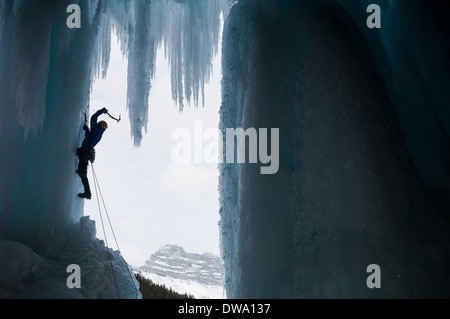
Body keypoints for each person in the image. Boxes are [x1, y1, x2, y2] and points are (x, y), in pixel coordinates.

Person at [76, 107, 109, 199]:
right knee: (82, 172)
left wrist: (100, 112)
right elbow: (90, 139)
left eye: (99, 123)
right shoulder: (97, 133)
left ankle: (88, 193)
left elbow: (93, 118)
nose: (97, 123)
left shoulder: (97, 130)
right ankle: (87, 192)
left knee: (82, 172)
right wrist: (87, 131)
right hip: (85, 152)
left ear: (100, 125)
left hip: (85, 151)